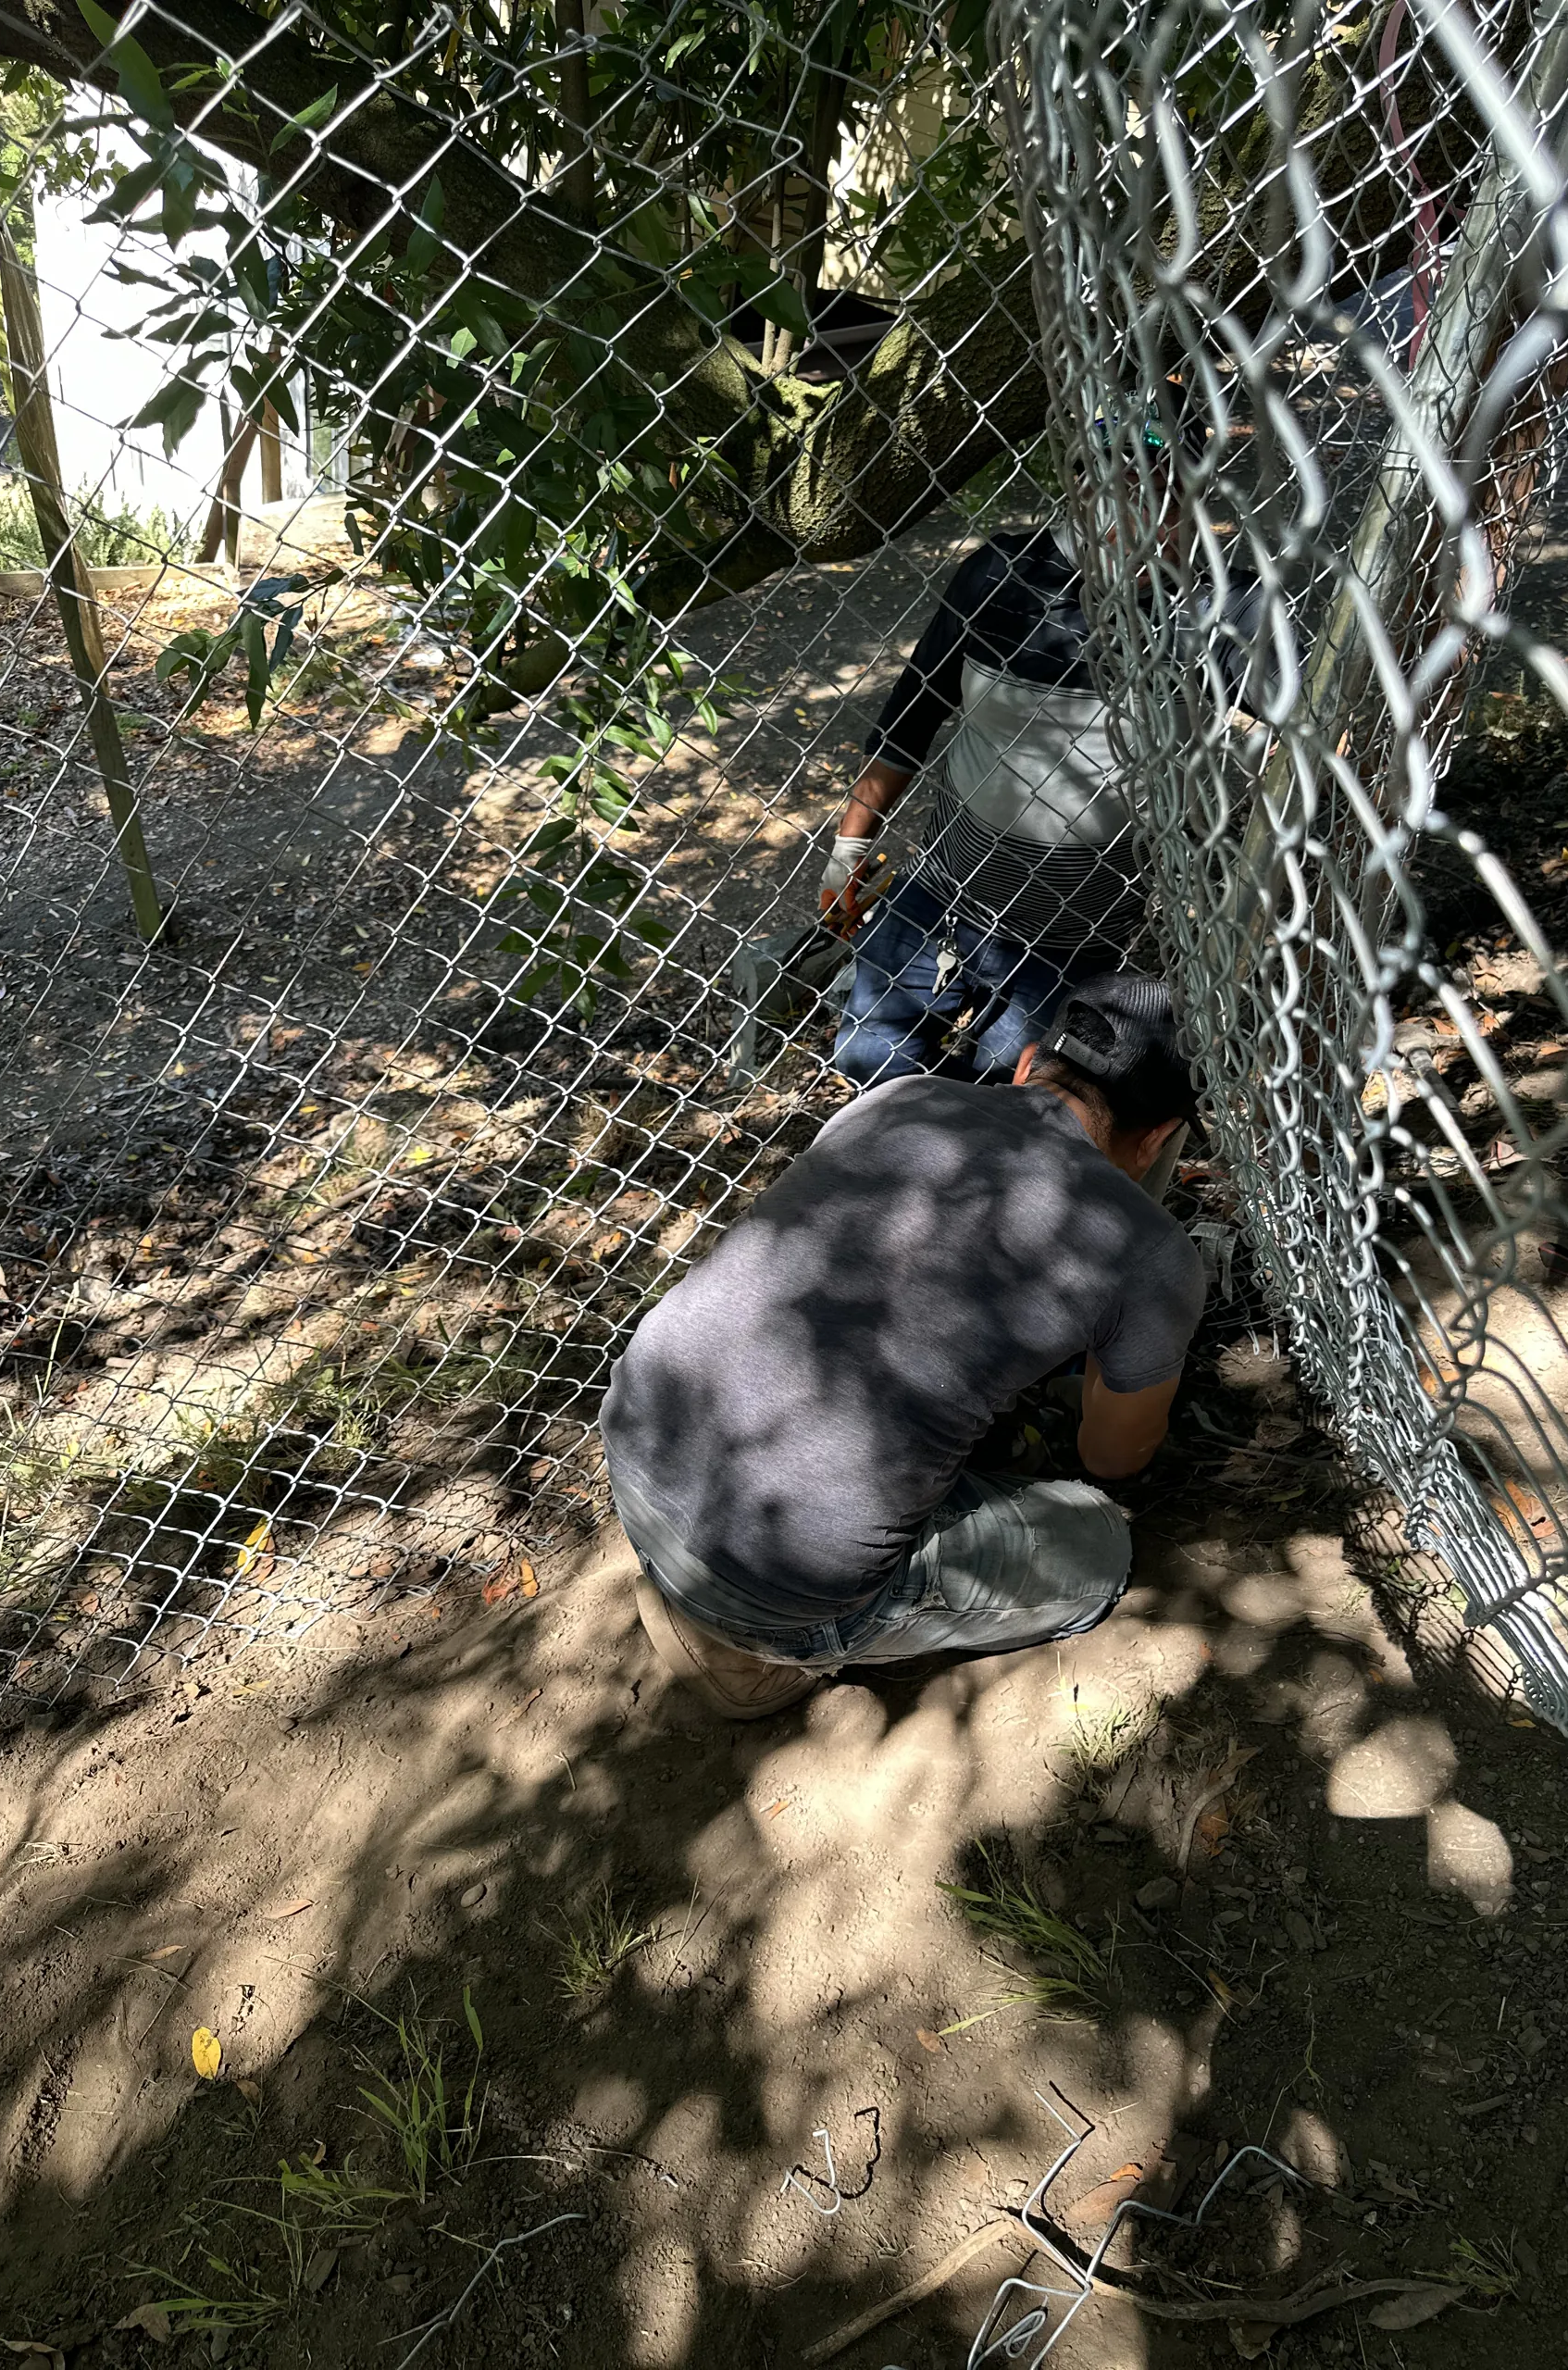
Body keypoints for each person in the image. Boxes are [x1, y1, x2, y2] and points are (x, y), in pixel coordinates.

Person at [599, 971, 1205, 1717]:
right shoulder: (1149, 1251)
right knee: (1099, 1549)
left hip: (635, 1447)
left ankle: (701, 1586)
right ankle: (750, 1653)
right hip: (777, 1584)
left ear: (1027, 1063)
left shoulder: (898, 1099)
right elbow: (1114, 1456)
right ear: (1155, 1139)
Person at [820, 412, 1257, 1089]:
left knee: (1008, 1085)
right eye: (1102, 479)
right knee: (870, 1056)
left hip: (1074, 937)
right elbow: (910, 717)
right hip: (948, 894)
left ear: (1189, 502)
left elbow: (1306, 721)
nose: (1123, 506)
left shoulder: (1219, 611)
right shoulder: (999, 579)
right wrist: (849, 850)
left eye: (1155, 487)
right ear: (1075, 487)